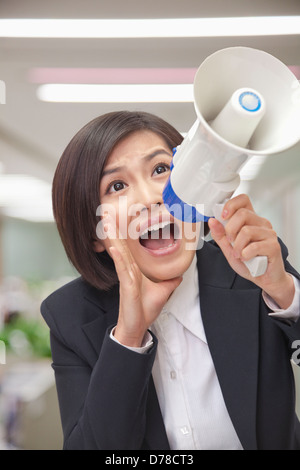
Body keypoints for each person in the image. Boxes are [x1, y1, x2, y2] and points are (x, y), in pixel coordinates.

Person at [41, 111, 300, 450]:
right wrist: (129, 337)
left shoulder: (255, 268)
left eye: (161, 169)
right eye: (117, 186)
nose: (151, 197)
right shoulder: (70, 315)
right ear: (97, 235)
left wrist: (283, 291)